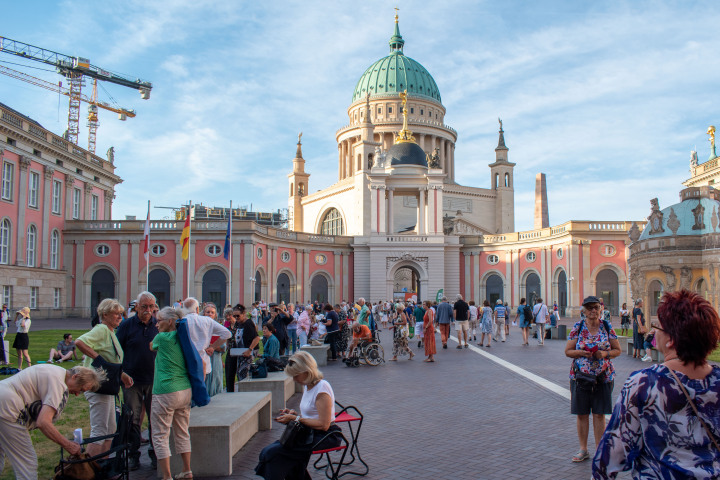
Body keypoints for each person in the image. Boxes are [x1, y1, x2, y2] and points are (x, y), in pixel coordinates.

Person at [593, 290, 720, 479]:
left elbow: (611, 455)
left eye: (658, 327)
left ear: (671, 340)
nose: (654, 331)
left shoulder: (644, 383)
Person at [0, 365, 105, 479]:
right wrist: (68, 445)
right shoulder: (59, 384)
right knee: (27, 463)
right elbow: (43, 422)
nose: (76, 394)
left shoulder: (55, 371)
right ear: (75, 376)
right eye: (81, 389)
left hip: (4, 399)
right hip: (7, 408)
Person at [255, 351, 341, 479]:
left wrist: (296, 418)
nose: (294, 379)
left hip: (326, 435)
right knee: (269, 452)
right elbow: (311, 414)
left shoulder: (322, 388)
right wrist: (294, 414)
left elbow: (324, 425)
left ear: (307, 371)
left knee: (273, 454)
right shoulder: (308, 386)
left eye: (296, 375)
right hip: (309, 433)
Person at [565, 295, 621, 463]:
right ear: (584, 310)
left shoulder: (606, 326)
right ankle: (583, 449)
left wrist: (604, 353)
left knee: (599, 414)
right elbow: (568, 351)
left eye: (596, 307)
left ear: (600, 308)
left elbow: (617, 350)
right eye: (589, 308)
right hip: (580, 377)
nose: (593, 311)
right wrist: (583, 352)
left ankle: (599, 449)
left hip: (603, 377)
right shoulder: (578, 326)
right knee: (582, 414)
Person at [76, 298, 134, 457]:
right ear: (105, 314)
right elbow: (80, 342)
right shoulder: (101, 330)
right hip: (98, 386)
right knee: (100, 430)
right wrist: (97, 358)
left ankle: (103, 465)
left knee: (110, 429)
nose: (119, 317)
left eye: (121, 314)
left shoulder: (110, 332)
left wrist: (122, 375)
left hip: (107, 387)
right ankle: (90, 468)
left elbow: (110, 360)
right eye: (116, 314)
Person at [115, 291, 159, 470]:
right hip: (131, 381)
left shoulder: (159, 325)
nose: (148, 310)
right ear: (137, 307)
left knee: (155, 418)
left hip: (155, 379)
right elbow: (117, 351)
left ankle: (156, 454)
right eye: (144, 307)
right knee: (132, 419)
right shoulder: (126, 326)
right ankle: (133, 455)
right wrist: (122, 373)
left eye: (151, 306)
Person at [151, 307, 193, 480]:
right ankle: (187, 470)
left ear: (170, 321)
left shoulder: (161, 338)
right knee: (182, 432)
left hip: (165, 391)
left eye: (159, 320)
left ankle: (167, 476)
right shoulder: (183, 337)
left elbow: (151, 346)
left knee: (160, 435)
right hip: (184, 390)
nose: (156, 324)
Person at [181, 297, 231, 379]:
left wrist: (213, 346)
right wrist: (213, 347)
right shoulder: (207, 321)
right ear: (197, 309)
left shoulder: (180, 322)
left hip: (186, 361)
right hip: (203, 360)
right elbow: (227, 333)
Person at [202, 302, 225, 397]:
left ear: (215, 315)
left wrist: (212, 346)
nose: (210, 314)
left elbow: (223, 348)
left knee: (216, 380)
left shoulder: (219, 328)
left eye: (212, 312)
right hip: (203, 358)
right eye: (208, 312)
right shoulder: (200, 327)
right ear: (204, 313)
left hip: (215, 359)